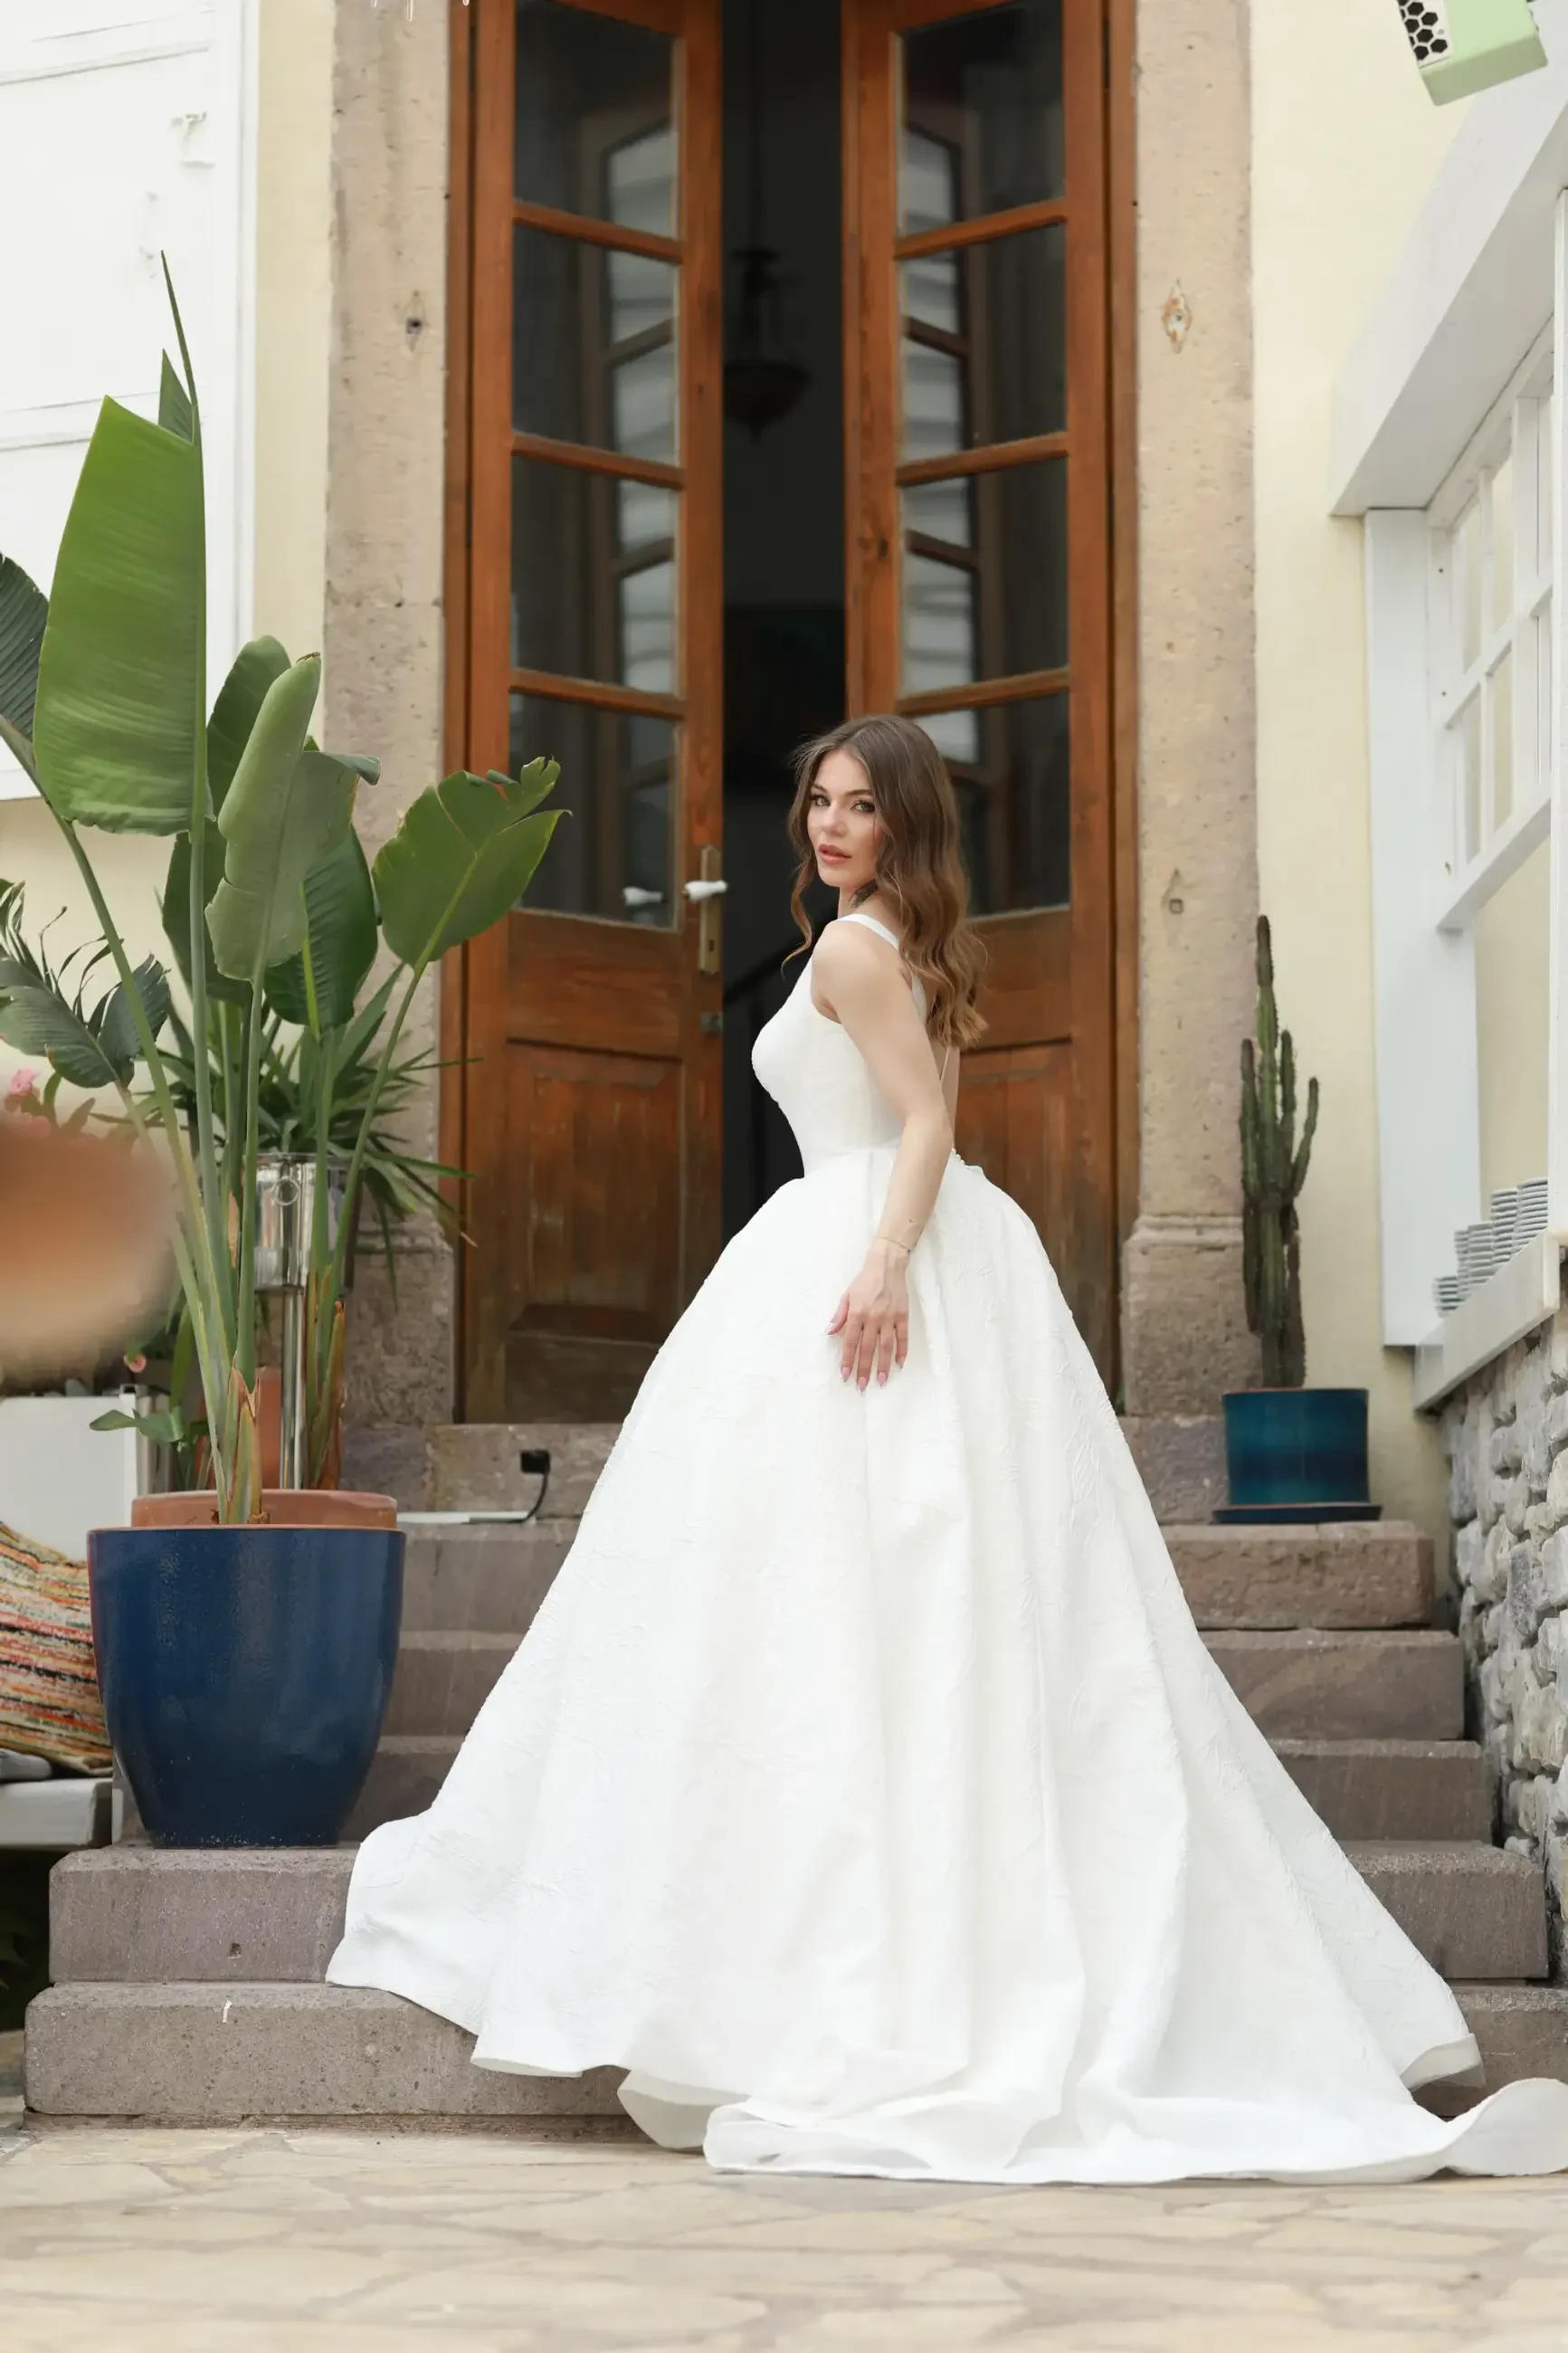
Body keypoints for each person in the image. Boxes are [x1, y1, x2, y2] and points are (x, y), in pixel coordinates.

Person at [329, 713, 1568, 2183]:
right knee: (884, 1597)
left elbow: (923, 1123)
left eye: (859, 805)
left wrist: (883, 1262)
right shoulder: (888, 942)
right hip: (879, 1243)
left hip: (869, 1244)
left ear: (904, 823)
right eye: (819, 799)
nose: (827, 824)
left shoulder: (857, 949)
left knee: (859, 1590)